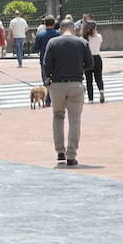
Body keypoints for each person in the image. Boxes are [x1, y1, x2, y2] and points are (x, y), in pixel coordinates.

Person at [43, 18, 93, 166]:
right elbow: (90, 64)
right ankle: (71, 155)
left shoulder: (53, 42)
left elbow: (46, 64)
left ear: (60, 29)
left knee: (58, 116)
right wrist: (78, 67)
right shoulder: (82, 43)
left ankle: (60, 151)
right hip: (76, 84)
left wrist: (48, 78)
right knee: (75, 120)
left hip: (57, 84)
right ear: (74, 29)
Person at [33, 16, 59, 107]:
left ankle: (47, 101)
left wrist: (34, 40)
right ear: (54, 24)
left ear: (45, 24)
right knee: (58, 80)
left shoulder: (40, 35)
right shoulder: (58, 34)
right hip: (57, 60)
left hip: (44, 60)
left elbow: (35, 48)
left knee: (46, 80)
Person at [81, 21, 105, 103]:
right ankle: (101, 90)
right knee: (98, 77)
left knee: (89, 80)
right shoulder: (99, 36)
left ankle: (90, 99)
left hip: (88, 59)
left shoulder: (83, 38)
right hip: (97, 57)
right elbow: (100, 46)